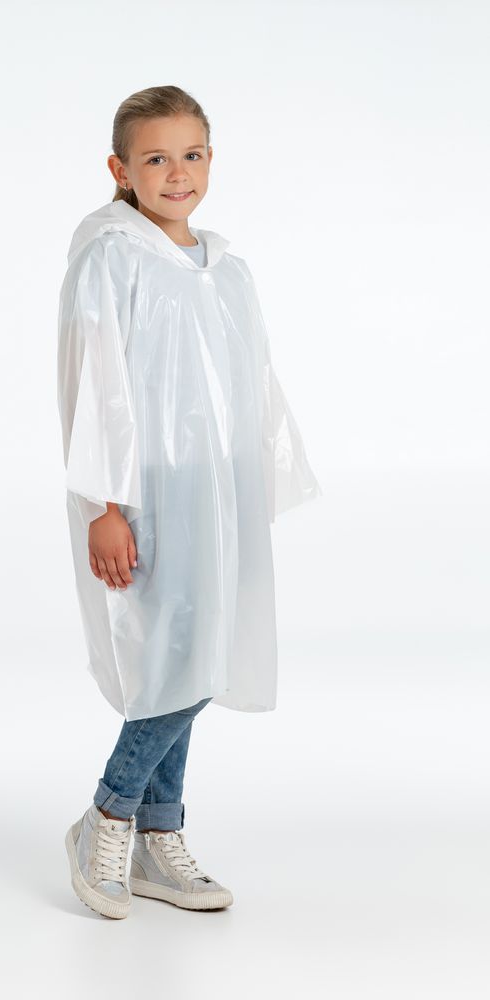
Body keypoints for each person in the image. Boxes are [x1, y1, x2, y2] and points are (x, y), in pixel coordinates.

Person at [57, 85, 322, 919]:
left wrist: (261, 476)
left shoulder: (225, 267)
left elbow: (252, 379)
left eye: (192, 155)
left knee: (202, 651)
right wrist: (104, 503)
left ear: (211, 159)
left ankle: (156, 833)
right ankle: (107, 815)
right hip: (150, 493)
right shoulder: (112, 257)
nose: (178, 173)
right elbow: (96, 382)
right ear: (120, 169)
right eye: (156, 158)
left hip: (221, 489)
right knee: (173, 659)